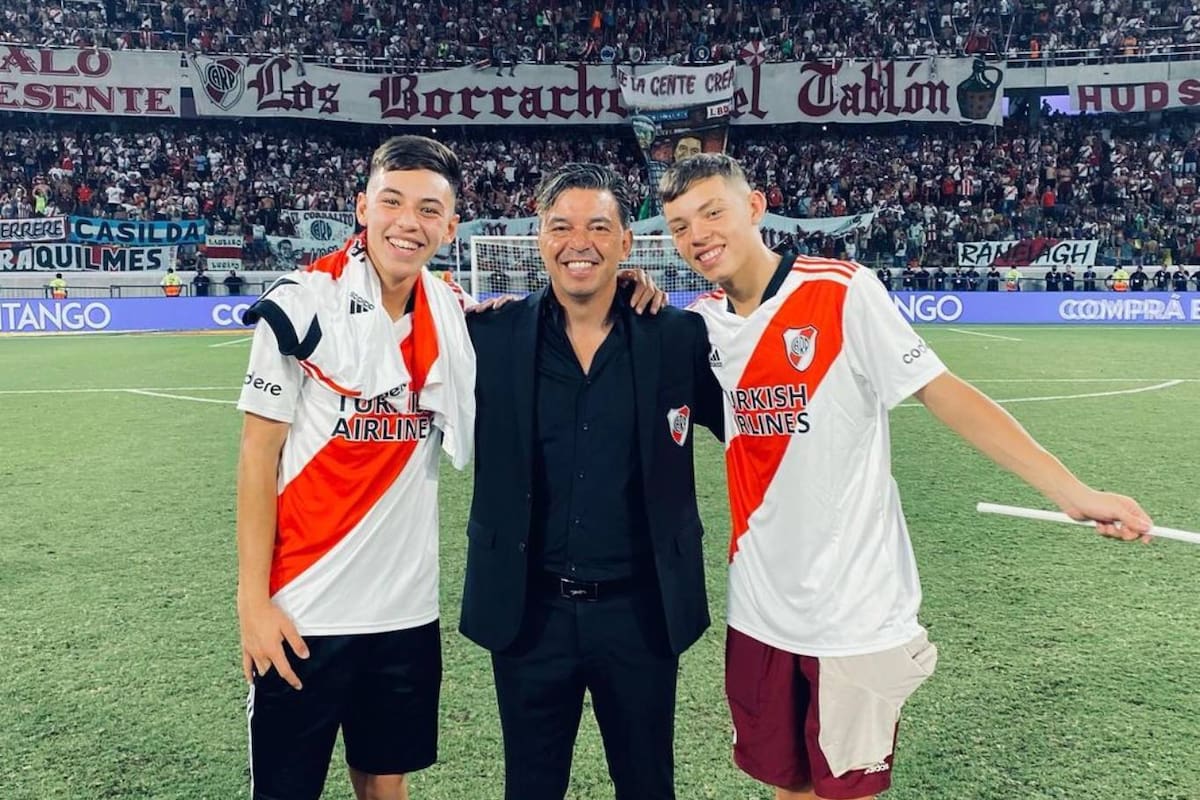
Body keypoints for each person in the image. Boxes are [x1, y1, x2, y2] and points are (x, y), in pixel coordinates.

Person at [658, 154, 1153, 800]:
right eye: (678, 225)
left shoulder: (840, 291)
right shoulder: (699, 325)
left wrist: (1074, 493)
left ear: (754, 209)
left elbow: (944, 394)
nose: (697, 234)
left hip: (852, 609)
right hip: (759, 606)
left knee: (845, 792)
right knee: (789, 785)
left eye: (712, 212)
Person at [459, 162, 723, 800]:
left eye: (599, 227)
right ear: (541, 240)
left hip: (641, 611)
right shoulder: (485, 337)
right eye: (562, 227)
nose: (581, 241)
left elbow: (759, 423)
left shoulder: (678, 336)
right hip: (528, 612)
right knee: (530, 787)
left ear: (627, 244)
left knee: (647, 785)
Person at [234, 135, 477, 800]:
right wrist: (253, 603)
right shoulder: (302, 305)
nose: (409, 221)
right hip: (304, 612)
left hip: (404, 612)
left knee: (384, 784)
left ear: (451, 227)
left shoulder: (452, 314)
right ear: (362, 207)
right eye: (392, 201)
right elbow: (258, 461)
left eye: (430, 210)